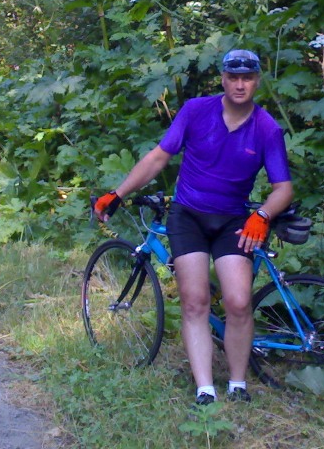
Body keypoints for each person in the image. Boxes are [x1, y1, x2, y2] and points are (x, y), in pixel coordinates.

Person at [94, 48, 294, 406]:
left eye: (247, 78)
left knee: (238, 303)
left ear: (257, 81)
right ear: (223, 79)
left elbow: (284, 189)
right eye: (233, 77)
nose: (240, 85)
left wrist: (262, 215)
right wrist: (118, 193)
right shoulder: (196, 111)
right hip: (188, 216)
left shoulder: (266, 128)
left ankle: (238, 383)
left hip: (234, 220)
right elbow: (159, 157)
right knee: (195, 302)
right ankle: (205, 389)